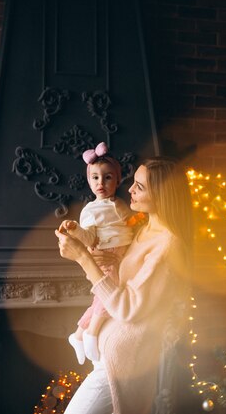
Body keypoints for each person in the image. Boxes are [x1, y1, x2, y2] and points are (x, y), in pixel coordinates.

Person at [55, 157, 193, 414]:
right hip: (106, 356)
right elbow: (113, 283)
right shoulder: (141, 230)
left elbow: (128, 308)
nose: (129, 189)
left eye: (139, 186)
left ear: (161, 194)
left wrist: (84, 259)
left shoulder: (167, 245)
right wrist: (97, 258)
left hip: (121, 364)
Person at [63, 142, 135, 364]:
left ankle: (77, 335)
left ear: (118, 180)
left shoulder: (120, 203)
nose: (101, 183)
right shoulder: (91, 210)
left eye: (107, 177)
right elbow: (90, 238)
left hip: (122, 253)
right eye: (95, 178)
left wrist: (137, 221)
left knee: (101, 297)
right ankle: (91, 332)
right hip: (106, 253)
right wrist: (76, 230)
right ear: (88, 181)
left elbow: (131, 222)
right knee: (108, 293)